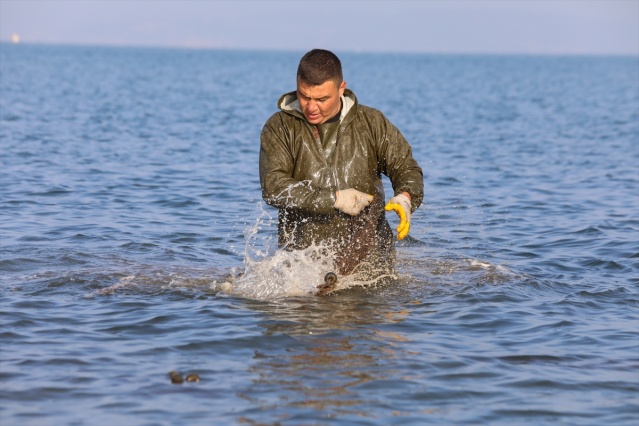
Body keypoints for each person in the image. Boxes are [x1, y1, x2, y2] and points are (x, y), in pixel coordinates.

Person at [259, 49, 423, 279]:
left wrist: (405, 198)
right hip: (302, 269)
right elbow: (274, 187)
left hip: (371, 266)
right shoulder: (279, 128)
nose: (311, 107)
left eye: (322, 99)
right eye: (304, 96)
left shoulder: (372, 123)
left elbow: (406, 167)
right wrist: (335, 199)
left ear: (341, 88)